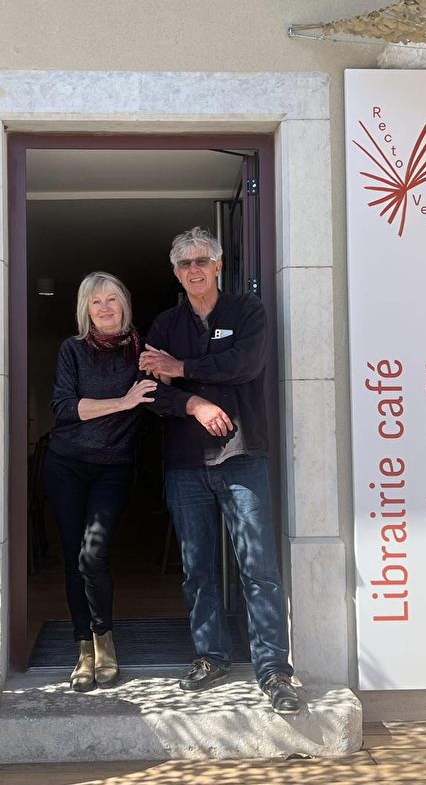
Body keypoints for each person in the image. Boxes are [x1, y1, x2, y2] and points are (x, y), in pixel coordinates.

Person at [139, 227, 299, 714]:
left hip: (242, 455)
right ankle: (211, 657)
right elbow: (151, 390)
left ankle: (274, 670)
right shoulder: (165, 324)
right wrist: (194, 404)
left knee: (259, 568)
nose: (194, 269)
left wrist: (182, 368)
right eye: (185, 263)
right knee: (197, 569)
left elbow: (245, 363)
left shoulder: (247, 311)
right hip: (186, 463)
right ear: (176, 273)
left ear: (218, 266)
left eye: (201, 261)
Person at [44, 272, 158, 692]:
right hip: (66, 464)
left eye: (112, 299)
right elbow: (63, 406)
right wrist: (123, 402)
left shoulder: (144, 353)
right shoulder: (72, 350)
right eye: (96, 301)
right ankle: (84, 648)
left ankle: (104, 639)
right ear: (86, 310)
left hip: (113, 466)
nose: (105, 307)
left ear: (124, 303)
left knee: (93, 555)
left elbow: (161, 398)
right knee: (73, 556)